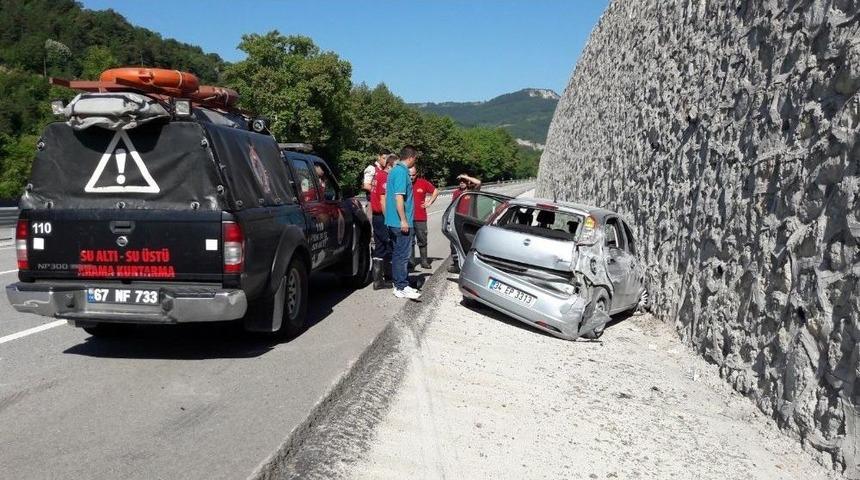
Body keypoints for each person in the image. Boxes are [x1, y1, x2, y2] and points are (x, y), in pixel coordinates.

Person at [384, 146, 421, 299]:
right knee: (402, 255)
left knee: (398, 254)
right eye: (415, 158)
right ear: (411, 157)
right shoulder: (401, 172)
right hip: (400, 223)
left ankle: (400, 284)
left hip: (393, 221)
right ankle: (401, 286)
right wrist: (404, 221)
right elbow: (399, 198)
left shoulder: (394, 171)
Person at [370, 154, 398, 289]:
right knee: (388, 246)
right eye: (396, 167)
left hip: (376, 216)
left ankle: (378, 281)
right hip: (382, 216)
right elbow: (383, 200)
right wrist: (389, 219)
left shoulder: (377, 175)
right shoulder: (384, 177)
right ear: (390, 165)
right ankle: (387, 277)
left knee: (380, 247)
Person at [448, 173, 481, 273]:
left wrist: (465, 177)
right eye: (460, 181)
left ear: (468, 181)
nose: (462, 183)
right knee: (454, 243)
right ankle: (457, 264)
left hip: (470, 221)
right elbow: (453, 206)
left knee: (470, 243)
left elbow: (478, 182)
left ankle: (470, 265)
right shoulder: (456, 192)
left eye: (464, 181)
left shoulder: (473, 191)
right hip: (458, 221)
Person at [409, 166, 438, 269]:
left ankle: (424, 261)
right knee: (410, 241)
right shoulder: (403, 183)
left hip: (420, 217)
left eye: (413, 175)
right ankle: (411, 262)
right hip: (408, 217)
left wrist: (429, 202)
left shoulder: (423, 182)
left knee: (422, 240)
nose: (411, 177)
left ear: (417, 174)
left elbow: (435, 191)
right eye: (410, 175)